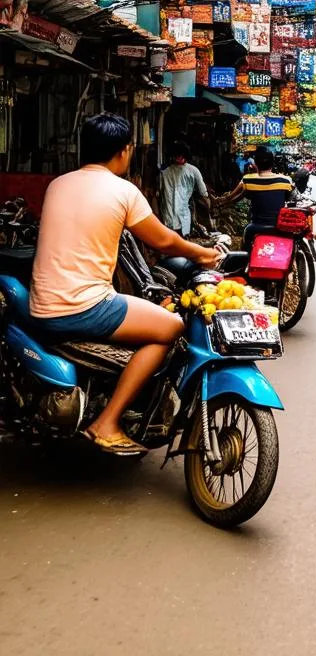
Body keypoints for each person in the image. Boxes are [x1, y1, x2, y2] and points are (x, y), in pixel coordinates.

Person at [29, 113, 221, 455]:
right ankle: (108, 422)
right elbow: (163, 241)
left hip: (43, 304)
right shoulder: (123, 191)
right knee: (172, 327)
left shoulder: (57, 184)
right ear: (123, 151)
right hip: (84, 307)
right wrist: (203, 254)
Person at [217, 146, 293, 248]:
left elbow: (232, 198)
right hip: (278, 227)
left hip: (255, 228)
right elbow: (291, 199)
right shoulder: (285, 180)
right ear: (272, 163)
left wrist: (220, 203)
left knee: (246, 248)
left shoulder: (248, 180)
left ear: (256, 164)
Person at [159, 141, 210, 237]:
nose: (178, 157)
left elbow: (203, 192)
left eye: (180, 155)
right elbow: (204, 193)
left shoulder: (166, 173)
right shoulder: (165, 173)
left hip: (176, 216)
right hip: (173, 215)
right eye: (176, 155)